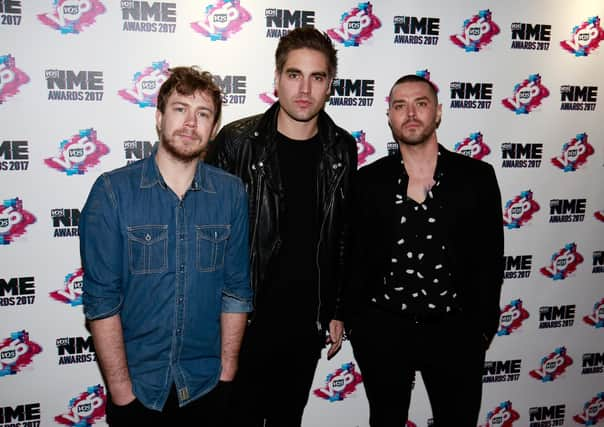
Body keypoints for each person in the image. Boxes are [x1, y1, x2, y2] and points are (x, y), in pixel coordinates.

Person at [79, 66, 252, 426]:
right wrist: (122, 393)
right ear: (159, 118)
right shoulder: (112, 193)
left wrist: (227, 375)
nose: (191, 122)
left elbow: (236, 291)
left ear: (214, 129)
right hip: (139, 392)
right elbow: (102, 302)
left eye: (203, 114)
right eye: (180, 109)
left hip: (206, 387)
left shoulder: (231, 193)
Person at [206, 27, 357, 427]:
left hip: (304, 326)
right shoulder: (237, 141)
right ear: (276, 80)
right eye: (294, 75)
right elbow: (205, 233)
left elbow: (342, 233)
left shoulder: (341, 148)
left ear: (330, 86)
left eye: (317, 77)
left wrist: (337, 308)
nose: (304, 88)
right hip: (242, 323)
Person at [345, 74, 504, 427]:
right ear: (389, 117)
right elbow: (354, 256)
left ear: (438, 113)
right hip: (383, 329)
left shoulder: (476, 177)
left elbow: (490, 258)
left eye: (421, 103)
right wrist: (358, 323)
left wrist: (481, 328)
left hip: (455, 331)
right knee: (385, 420)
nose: (410, 113)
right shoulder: (368, 182)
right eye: (400, 106)